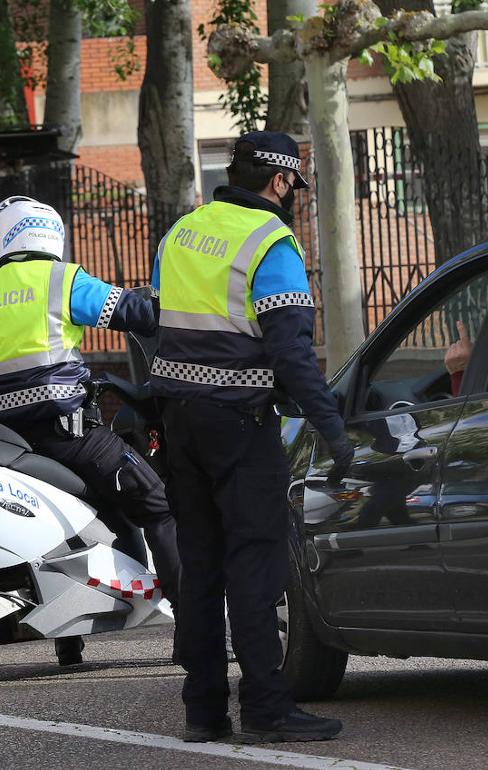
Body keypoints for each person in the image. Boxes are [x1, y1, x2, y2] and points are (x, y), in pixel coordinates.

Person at [150, 132, 352, 743]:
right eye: (295, 187)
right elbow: (290, 352)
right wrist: (333, 428)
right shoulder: (272, 243)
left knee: (202, 568)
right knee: (256, 565)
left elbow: (159, 325)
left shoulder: (181, 233)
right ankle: (267, 707)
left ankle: (203, 710)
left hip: (179, 423)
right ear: (281, 181)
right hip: (239, 425)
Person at [0, 195, 181, 666]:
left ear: (0, 238)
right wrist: (156, 296)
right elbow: (138, 317)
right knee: (158, 505)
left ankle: (68, 645)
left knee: (70, 525)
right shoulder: (62, 280)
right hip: (70, 436)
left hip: (6, 447)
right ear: (49, 233)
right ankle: (196, 630)